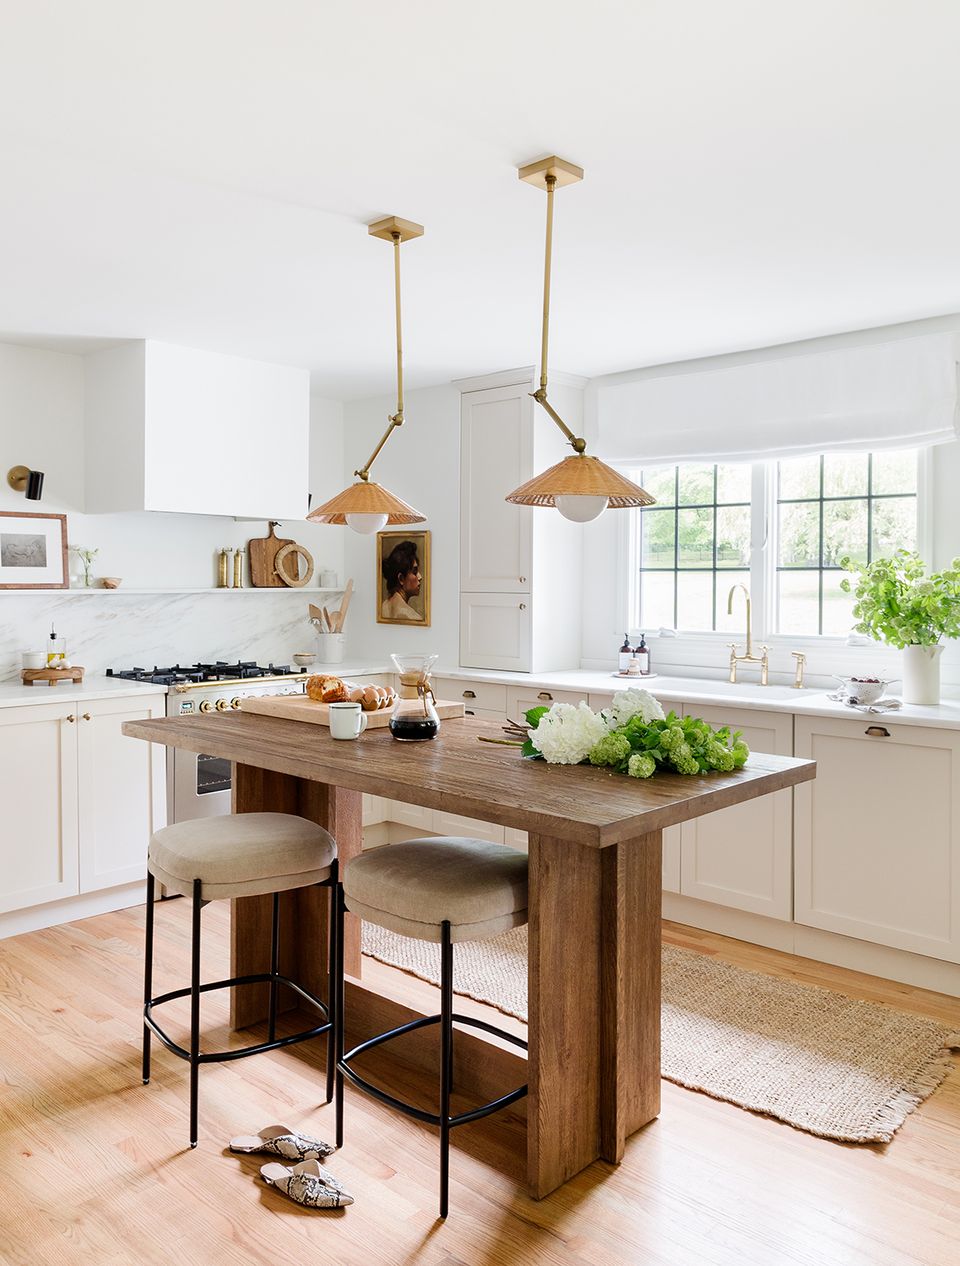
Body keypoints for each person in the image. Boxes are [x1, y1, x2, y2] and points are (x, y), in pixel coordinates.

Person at [381, 539, 424, 621]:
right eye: (414, 572)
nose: (420, 577)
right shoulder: (413, 618)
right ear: (401, 578)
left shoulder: (382, 607)